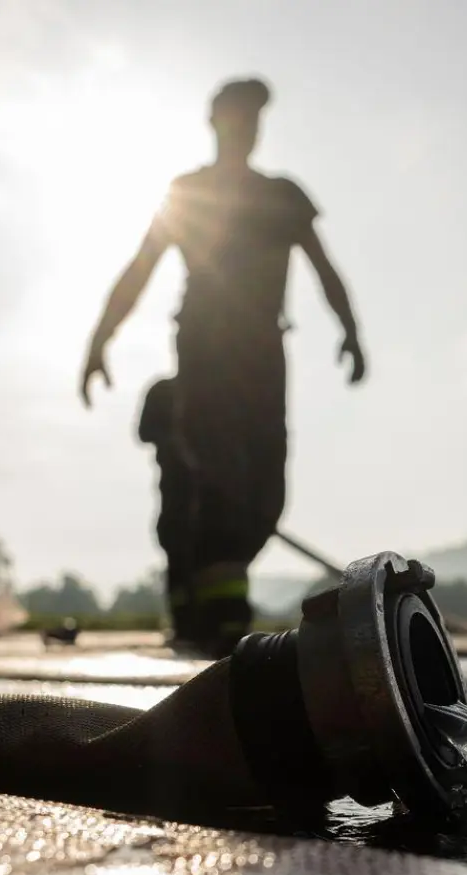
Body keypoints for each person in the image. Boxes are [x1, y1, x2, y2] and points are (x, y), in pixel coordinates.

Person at [80, 76, 365, 656]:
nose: (250, 130)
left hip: (262, 353)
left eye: (257, 120)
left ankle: (204, 599)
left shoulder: (283, 195)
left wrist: (351, 331)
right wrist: (99, 340)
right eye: (240, 118)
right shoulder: (186, 192)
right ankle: (220, 616)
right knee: (215, 482)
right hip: (206, 353)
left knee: (265, 490)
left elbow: (323, 267)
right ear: (215, 124)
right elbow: (140, 269)